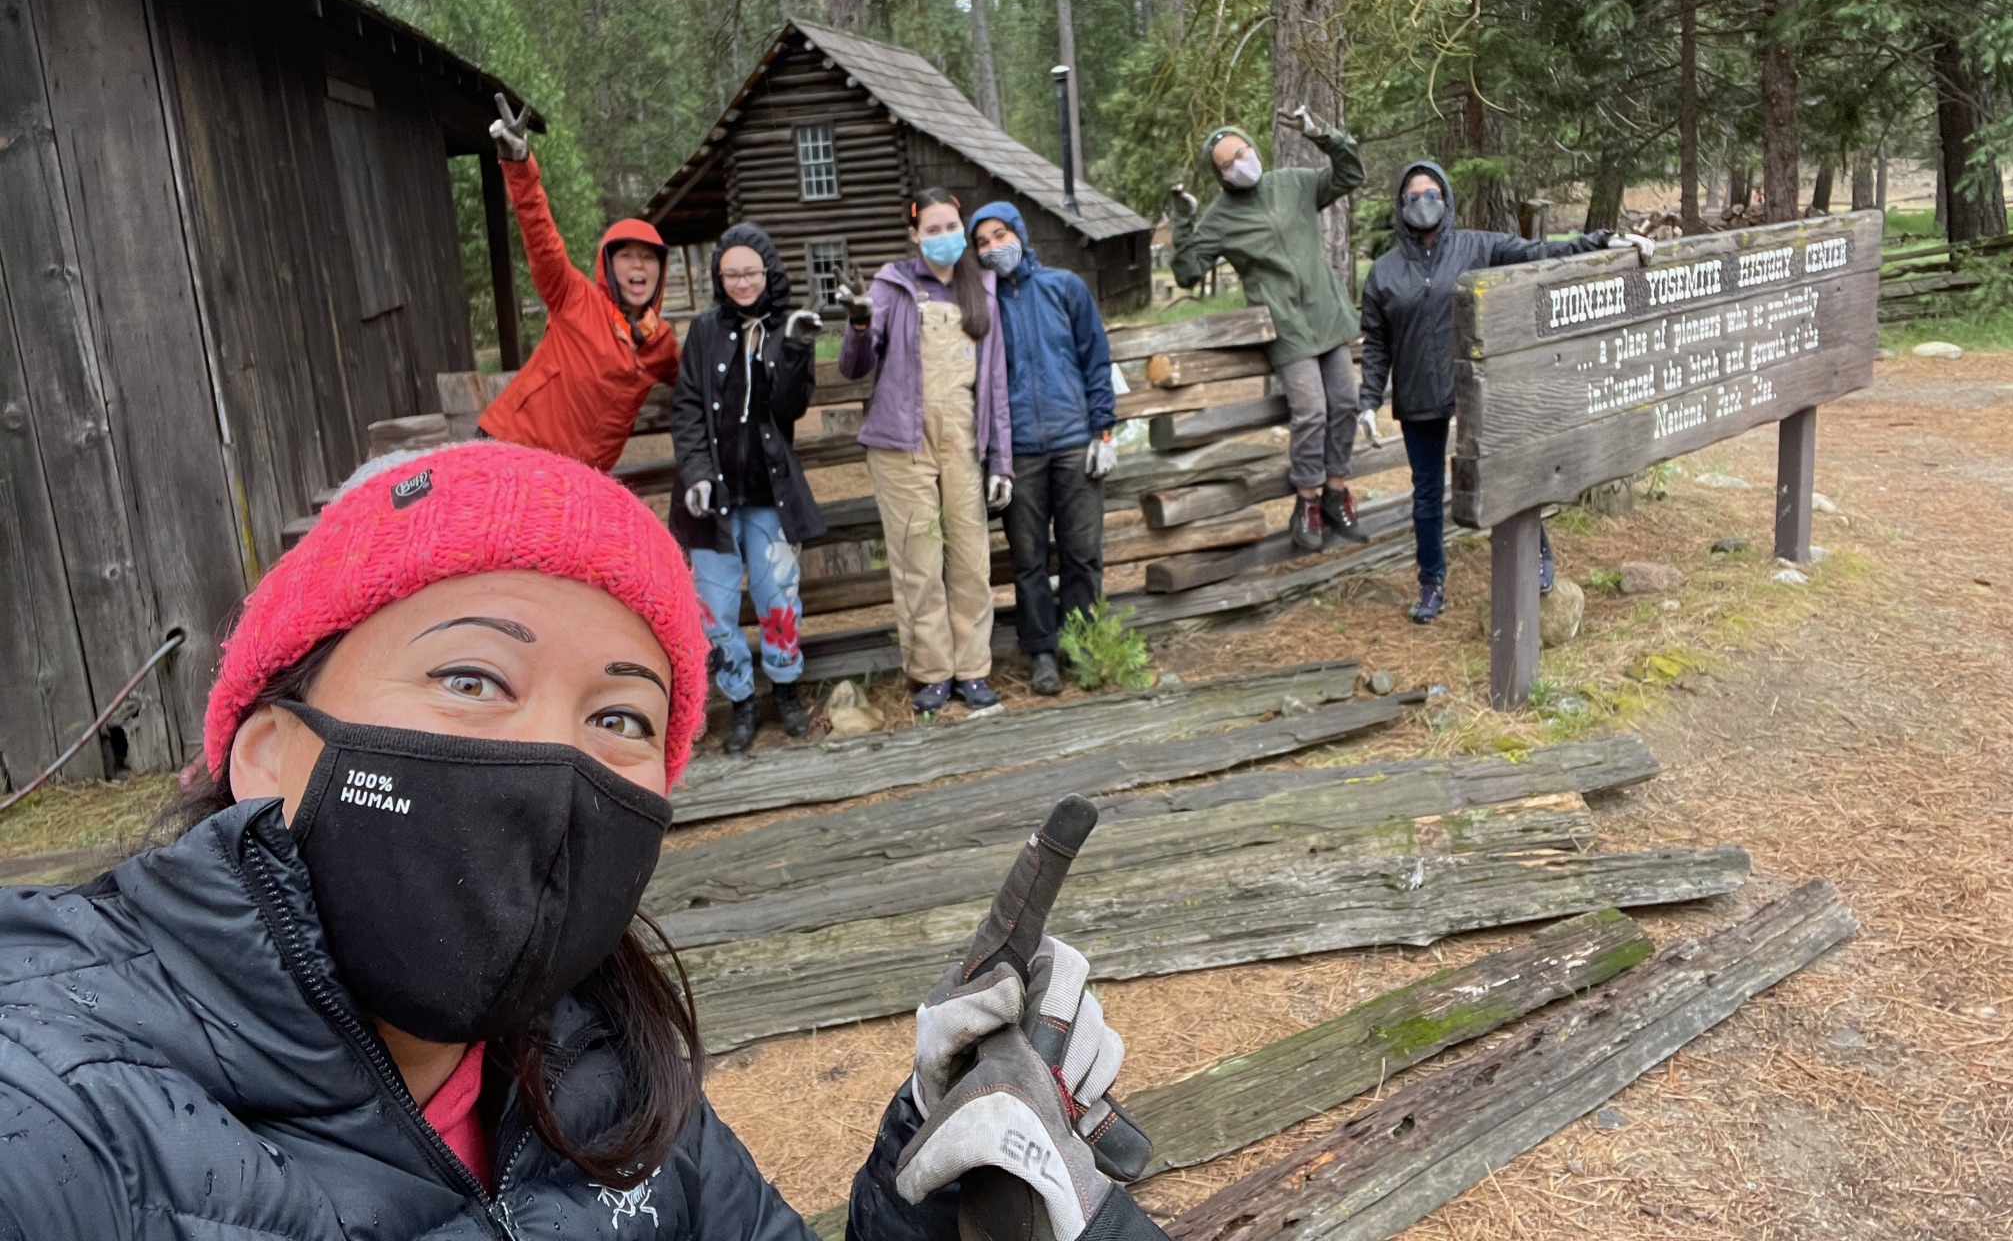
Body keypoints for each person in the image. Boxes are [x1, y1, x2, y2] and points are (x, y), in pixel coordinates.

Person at [0, 439, 1166, 1240]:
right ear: (265, 752)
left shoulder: (605, 1062)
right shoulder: (62, 1108)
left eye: (618, 717)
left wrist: (932, 1183)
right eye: (471, 675)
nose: (552, 767)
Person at [1358, 160, 1654, 623]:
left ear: (1447, 199)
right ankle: (1431, 582)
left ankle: (1536, 555)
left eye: (1431, 194)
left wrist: (1603, 240)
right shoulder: (1384, 273)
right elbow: (1376, 344)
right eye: (1413, 197)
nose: (1423, 204)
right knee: (1428, 493)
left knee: (1508, 472)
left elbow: (1541, 253)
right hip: (1418, 395)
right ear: (1401, 205)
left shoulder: (1479, 246)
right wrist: (1368, 401)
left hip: (1479, 389)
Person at [839, 189, 1013, 717]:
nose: (945, 237)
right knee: (918, 559)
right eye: (932, 229)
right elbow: (855, 367)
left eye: (951, 227)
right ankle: (932, 672)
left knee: (970, 557)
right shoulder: (892, 286)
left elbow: (996, 382)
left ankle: (973, 670)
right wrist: (860, 323)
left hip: (962, 439)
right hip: (901, 445)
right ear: (914, 235)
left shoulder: (981, 287)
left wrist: (1000, 460)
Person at [1168, 108, 1366, 552]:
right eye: (1226, 163)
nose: (1239, 164)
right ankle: (1309, 499)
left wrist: (1321, 133)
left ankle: (1337, 491)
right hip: (1286, 326)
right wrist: (1182, 221)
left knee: (1347, 401)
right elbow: (1187, 271)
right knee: (1312, 410)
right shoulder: (1221, 217)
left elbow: (1351, 173)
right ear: (1219, 175)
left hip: (1326, 314)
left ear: (1253, 147)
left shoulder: (1292, 183)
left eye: (1242, 152)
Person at [671, 224, 827, 754]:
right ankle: (739, 699)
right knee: (711, 608)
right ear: (720, 276)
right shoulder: (703, 331)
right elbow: (688, 405)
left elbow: (789, 408)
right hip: (711, 504)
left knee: (778, 597)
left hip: (769, 498)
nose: (741, 282)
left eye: (750, 272)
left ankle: (785, 689)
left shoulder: (787, 328)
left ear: (768, 274)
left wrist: (798, 349)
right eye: (731, 273)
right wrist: (695, 473)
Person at [476, 94, 679, 468]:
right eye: (627, 256)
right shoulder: (574, 298)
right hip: (509, 450)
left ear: (660, 271)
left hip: (576, 482)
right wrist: (519, 166)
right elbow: (542, 240)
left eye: (648, 257)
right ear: (608, 266)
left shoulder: (660, 344)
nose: (638, 266)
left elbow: (699, 376)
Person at [969, 201, 1117, 697]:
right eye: (982, 243)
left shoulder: (1065, 287)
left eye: (999, 235)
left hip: (1075, 440)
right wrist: (994, 457)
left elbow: (1095, 360)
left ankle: (1082, 641)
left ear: (1020, 233)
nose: (993, 248)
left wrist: (1104, 431)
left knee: (1081, 552)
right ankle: (1043, 652)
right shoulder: (982, 308)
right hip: (1019, 453)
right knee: (1028, 557)